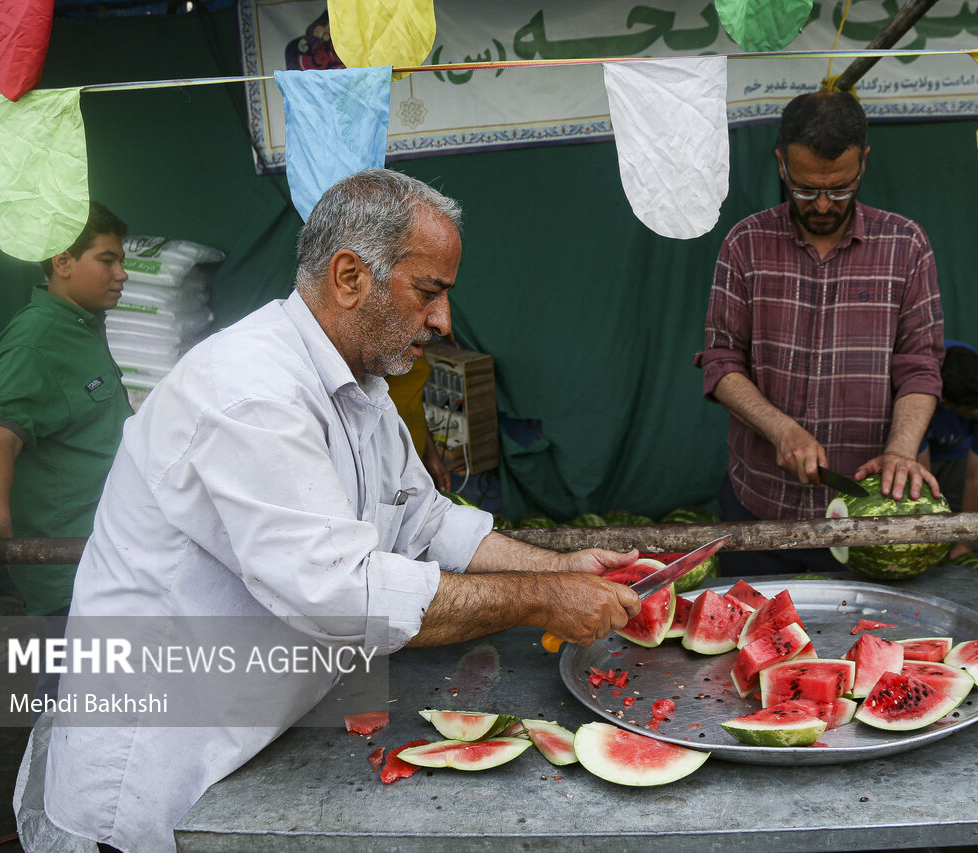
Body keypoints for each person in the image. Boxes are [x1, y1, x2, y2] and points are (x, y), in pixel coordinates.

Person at [36, 170, 641, 852]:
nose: (442, 320)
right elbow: (339, 590)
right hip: (167, 766)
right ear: (350, 277)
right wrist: (542, 599)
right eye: (429, 291)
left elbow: (427, 522)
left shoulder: (362, 387)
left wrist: (561, 568)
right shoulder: (250, 392)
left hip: (263, 739)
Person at [693, 90, 944, 574]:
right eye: (806, 190)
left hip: (864, 514)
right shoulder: (745, 243)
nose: (824, 205)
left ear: (863, 162)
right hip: (760, 501)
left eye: (841, 189)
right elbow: (721, 362)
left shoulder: (906, 245)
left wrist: (900, 450)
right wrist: (781, 429)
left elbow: (920, 366)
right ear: (781, 164)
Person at [0, 201, 132, 701]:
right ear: (62, 262)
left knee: (108, 698)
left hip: (108, 554)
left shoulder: (80, 324)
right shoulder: (35, 341)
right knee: (66, 702)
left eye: (121, 260)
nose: (122, 274)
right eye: (107, 260)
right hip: (71, 570)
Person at [918, 341, 978, 558]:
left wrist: (965, 545)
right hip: (914, 454)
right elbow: (922, 478)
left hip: (959, 457)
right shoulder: (918, 395)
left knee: (975, 539)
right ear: (947, 403)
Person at [386, 351, 451, 490]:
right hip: (385, 468)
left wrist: (431, 456)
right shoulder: (372, 356)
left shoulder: (414, 347)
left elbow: (412, 405)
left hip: (414, 460)